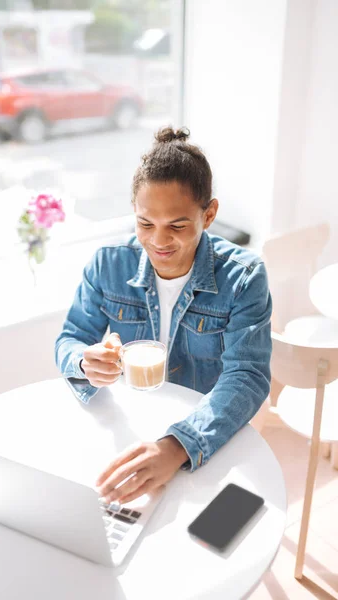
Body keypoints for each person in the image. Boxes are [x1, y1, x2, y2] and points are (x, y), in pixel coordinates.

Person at [55, 127, 272, 506]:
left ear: (210, 213)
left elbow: (248, 376)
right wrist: (84, 361)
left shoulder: (244, 276)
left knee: (209, 541)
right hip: (131, 428)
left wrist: (176, 447)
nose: (158, 241)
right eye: (145, 224)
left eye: (177, 225)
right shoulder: (108, 263)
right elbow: (69, 340)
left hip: (206, 432)